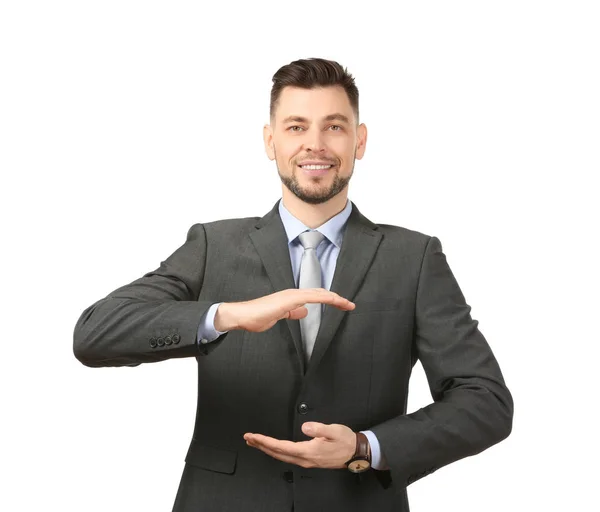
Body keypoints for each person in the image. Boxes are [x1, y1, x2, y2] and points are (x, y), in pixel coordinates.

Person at [73, 57, 513, 512]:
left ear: (360, 141)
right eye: (297, 127)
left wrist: (366, 447)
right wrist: (228, 314)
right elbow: (94, 334)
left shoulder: (414, 257)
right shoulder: (213, 245)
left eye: (335, 127)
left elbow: (485, 402)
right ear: (271, 141)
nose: (316, 145)